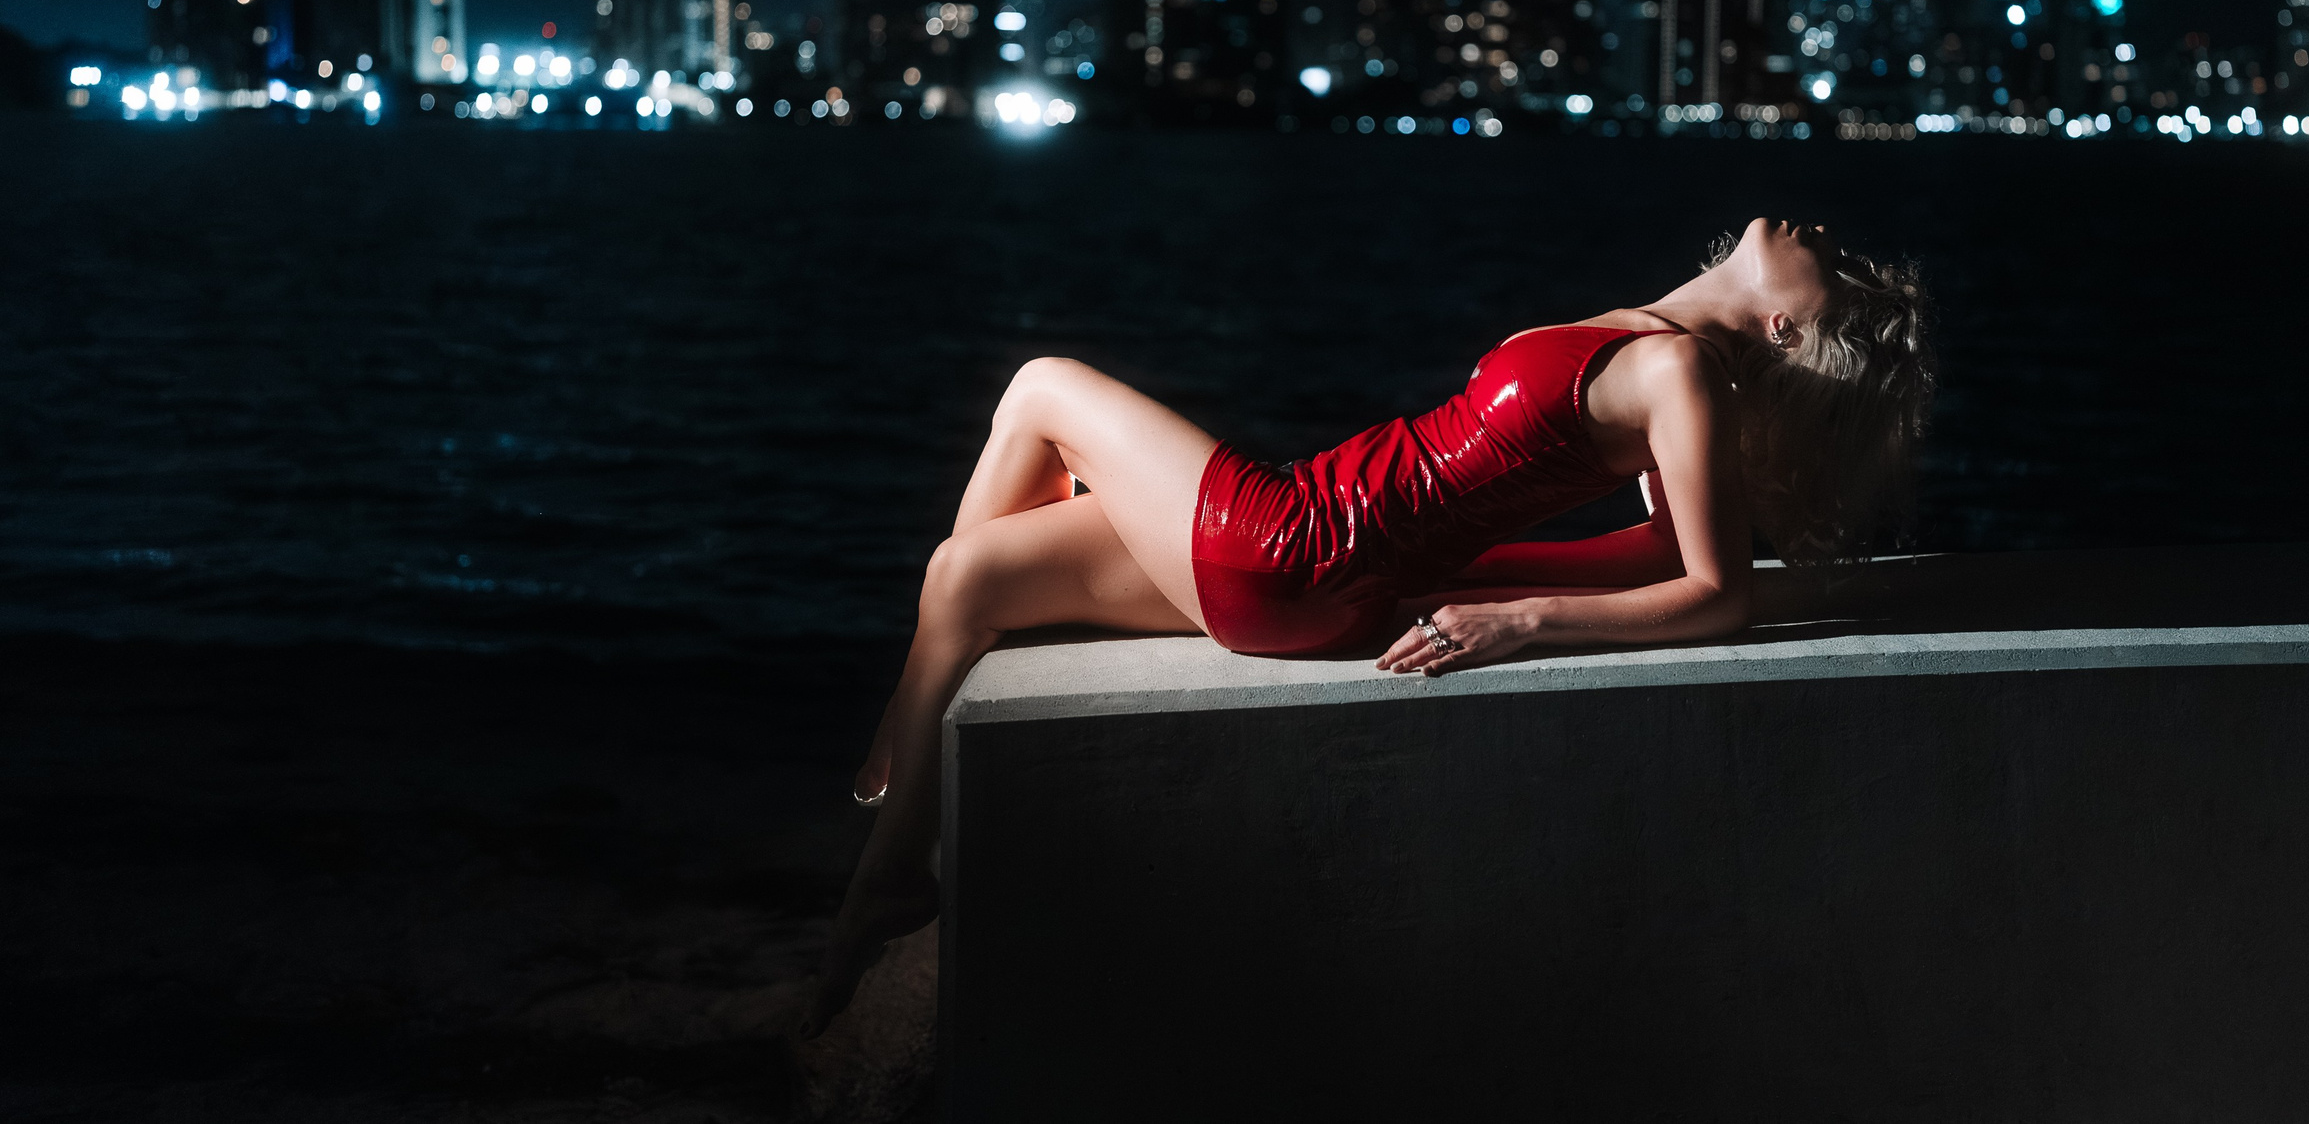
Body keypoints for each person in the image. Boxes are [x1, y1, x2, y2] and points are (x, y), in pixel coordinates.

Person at [802, 217, 1931, 1035]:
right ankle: (890, 866)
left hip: (1291, 545)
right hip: (1310, 561)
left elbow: (1713, 591)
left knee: (1041, 386)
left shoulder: (1679, 372)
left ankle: (902, 755)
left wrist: (1524, 620)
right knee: (971, 574)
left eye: (1825, 261)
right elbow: (1655, 548)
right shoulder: (1662, 349)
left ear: (1782, 322)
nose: (1816, 228)